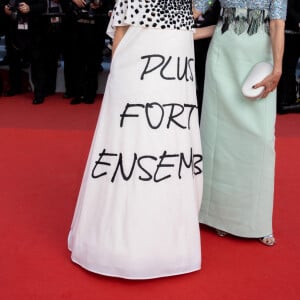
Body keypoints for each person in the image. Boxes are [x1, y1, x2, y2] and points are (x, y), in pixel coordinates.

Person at [68, 0, 203, 279]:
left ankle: (162, 245)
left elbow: (183, 36)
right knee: (131, 154)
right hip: (137, 90)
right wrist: (117, 86)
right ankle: (123, 245)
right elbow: (120, 36)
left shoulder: (182, 5)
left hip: (172, 94)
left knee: (160, 153)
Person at [194, 0, 286, 246]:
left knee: (261, 138)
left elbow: (277, 23)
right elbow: (196, 9)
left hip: (258, 58)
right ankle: (218, 217)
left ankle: (256, 221)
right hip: (222, 55)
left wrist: (278, 68)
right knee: (218, 136)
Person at [277, 0, 300, 113]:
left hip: (292, 32)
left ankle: (289, 100)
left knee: (289, 68)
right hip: (290, 32)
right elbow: (287, 7)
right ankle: (285, 101)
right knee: (288, 68)